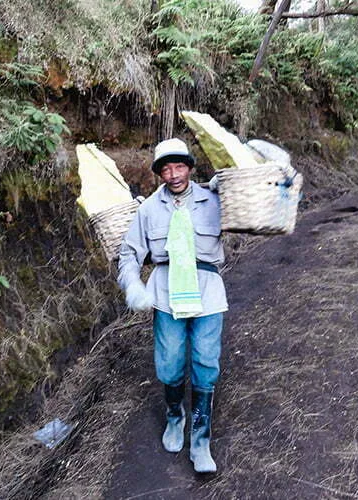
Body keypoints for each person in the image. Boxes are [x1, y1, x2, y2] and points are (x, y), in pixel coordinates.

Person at [117, 138, 227, 473]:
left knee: (206, 361)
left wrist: (234, 184)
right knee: (169, 363)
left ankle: (201, 437)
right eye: (166, 168)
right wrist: (133, 285)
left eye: (179, 166)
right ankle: (174, 416)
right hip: (166, 292)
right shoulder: (148, 210)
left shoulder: (214, 199)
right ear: (159, 174)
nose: (174, 174)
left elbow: (260, 197)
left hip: (206, 290)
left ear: (190, 168)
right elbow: (128, 254)